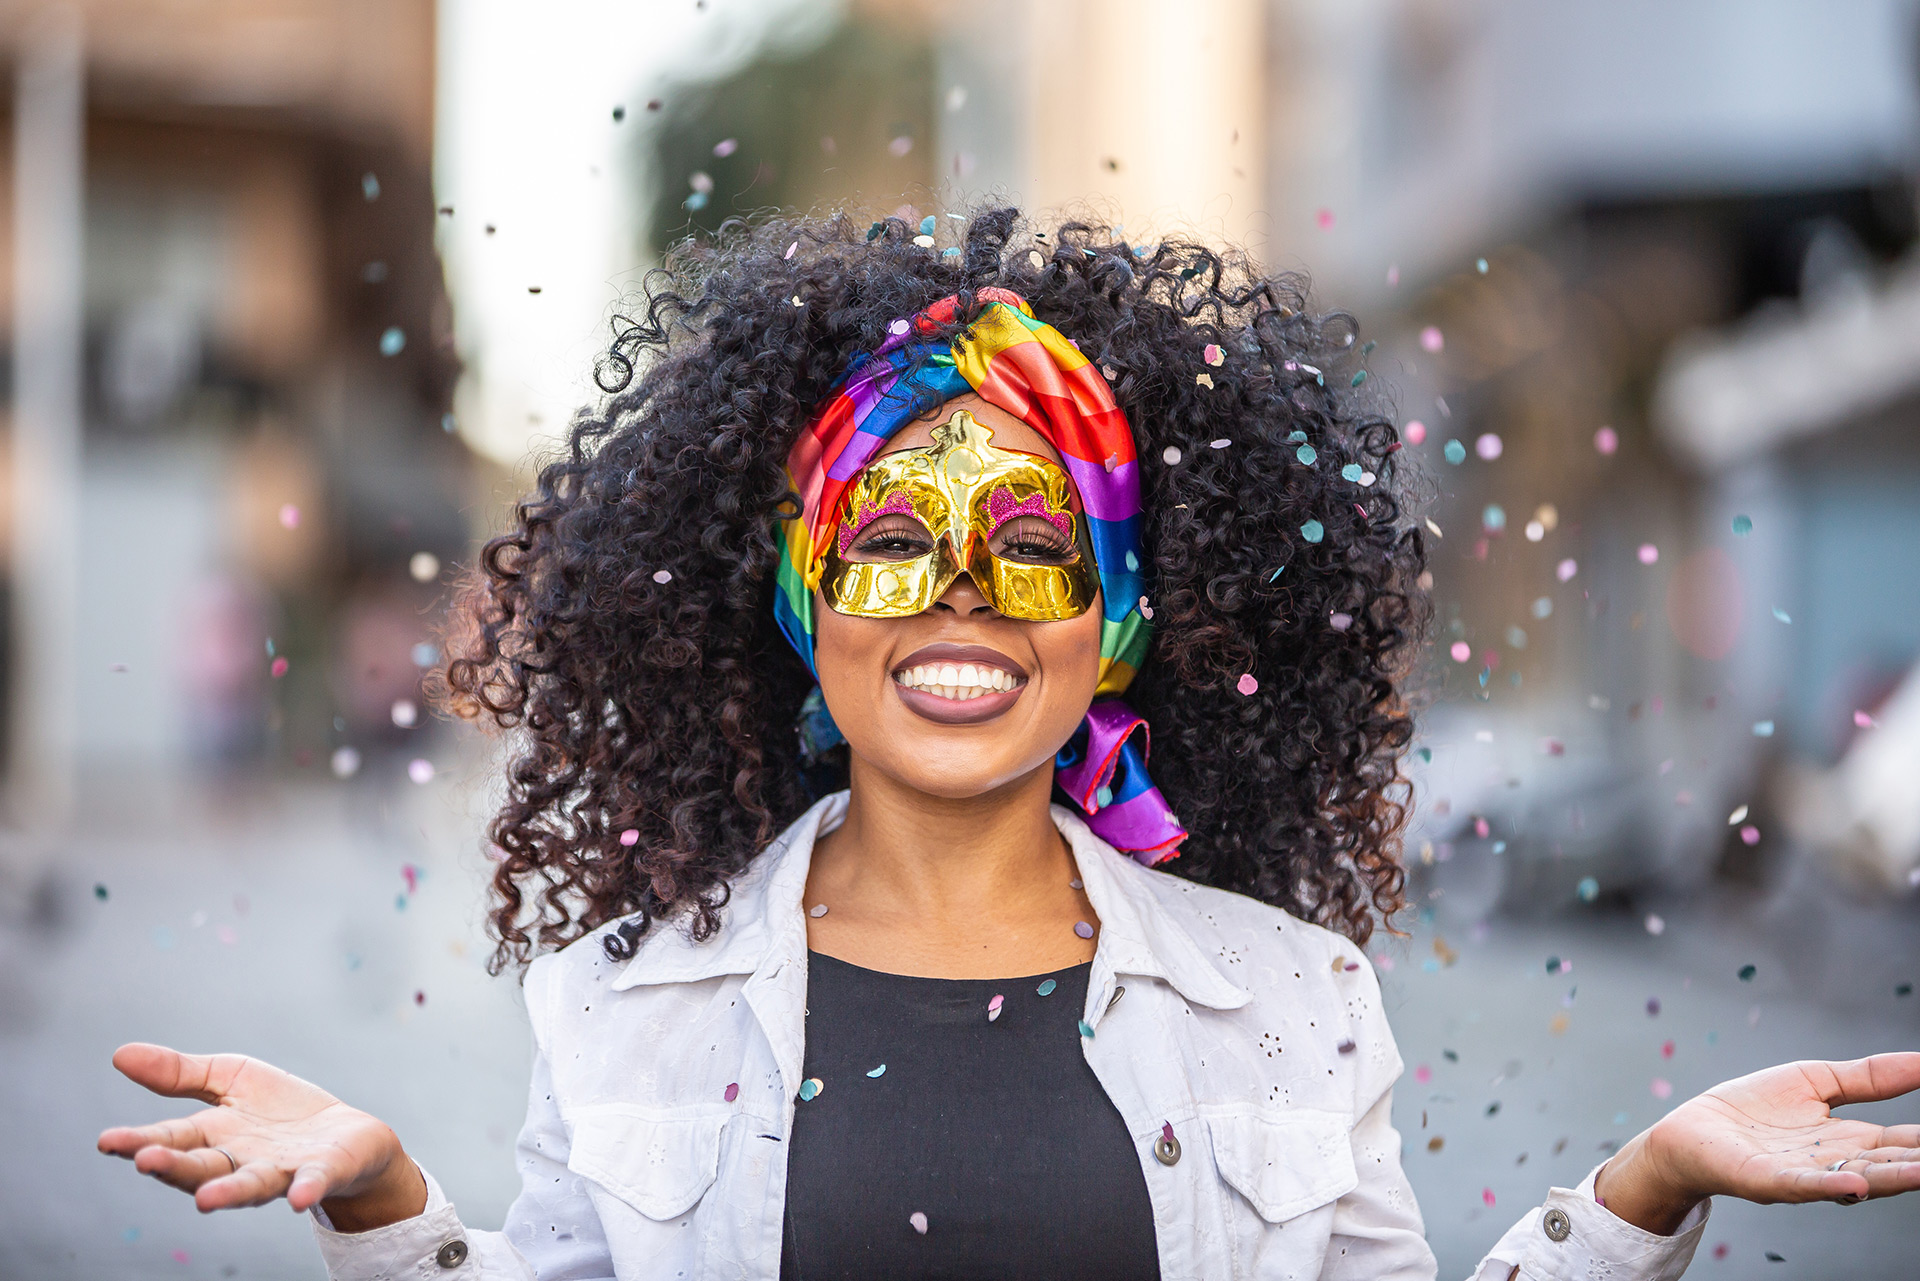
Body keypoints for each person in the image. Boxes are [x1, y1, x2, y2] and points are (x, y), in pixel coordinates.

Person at [98, 207, 1920, 1280]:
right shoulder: (622, 998)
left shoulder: (1293, 998)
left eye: (1036, 545)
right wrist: (397, 1205)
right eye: (892, 538)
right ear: (812, 601)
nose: (962, 593)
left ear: (1116, 615)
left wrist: (1643, 1189)